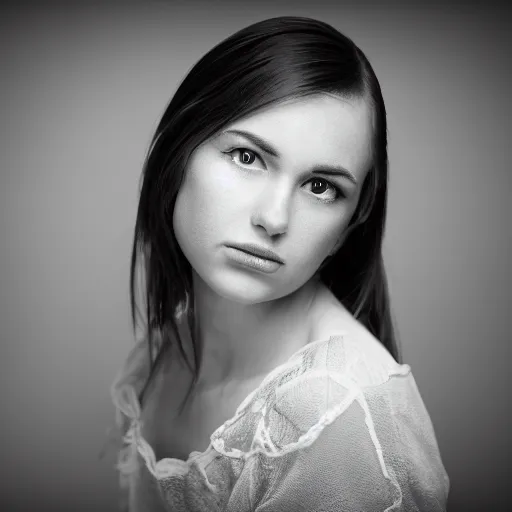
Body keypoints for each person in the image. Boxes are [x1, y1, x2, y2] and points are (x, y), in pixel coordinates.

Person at [103, 15, 450, 511]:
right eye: (247, 157)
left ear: (350, 224)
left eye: (321, 187)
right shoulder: (167, 346)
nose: (273, 218)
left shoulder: (333, 416)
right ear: (177, 154)